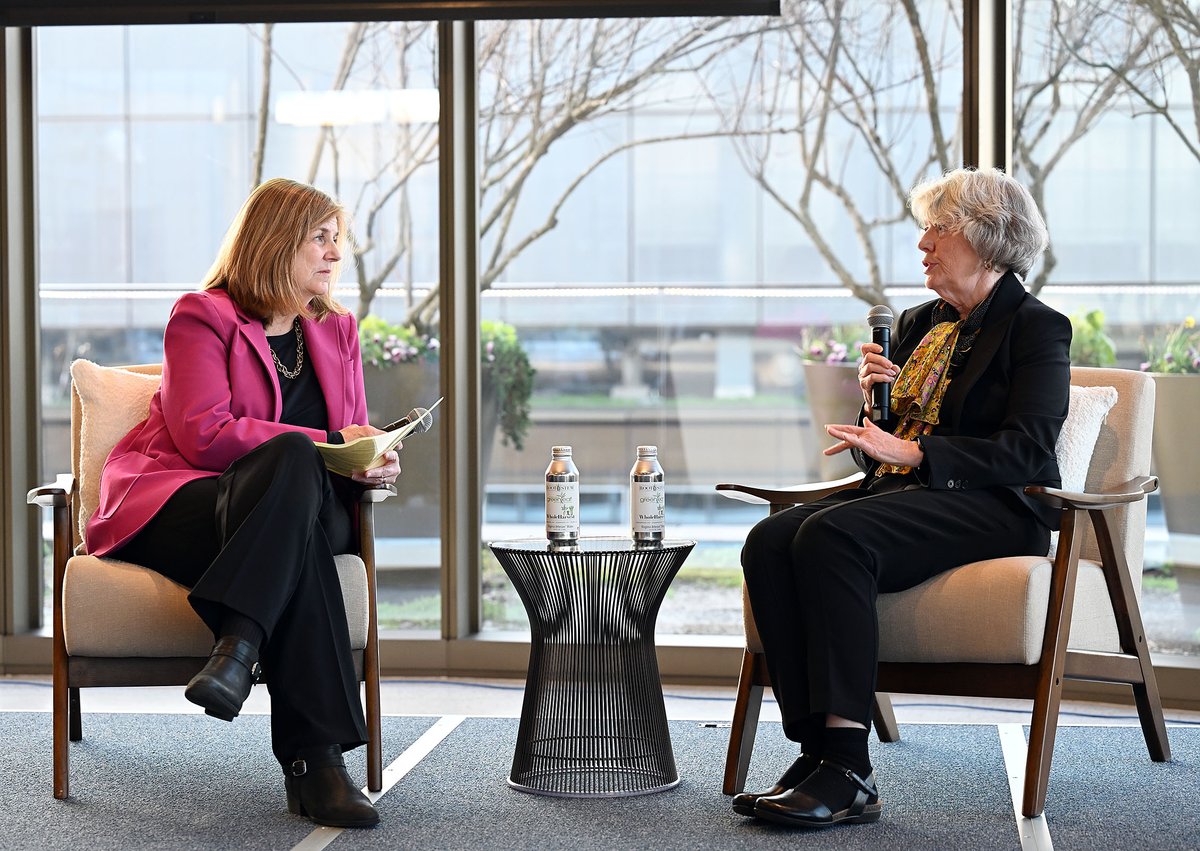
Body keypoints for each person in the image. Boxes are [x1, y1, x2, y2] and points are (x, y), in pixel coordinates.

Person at [734, 167, 1070, 829]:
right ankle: (816, 752)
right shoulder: (920, 323)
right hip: (908, 497)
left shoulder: (1037, 328)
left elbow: (1029, 450)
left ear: (985, 237)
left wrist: (916, 452)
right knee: (770, 539)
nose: (923, 244)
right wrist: (876, 411)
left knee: (830, 536)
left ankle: (850, 767)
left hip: (993, 506)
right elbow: (879, 451)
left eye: (938, 230)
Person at [86, 178, 401, 829]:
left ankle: (237, 646)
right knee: (292, 466)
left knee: (300, 483)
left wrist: (370, 462)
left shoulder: (338, 330)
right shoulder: (203, 316)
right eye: (320, 236)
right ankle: (318, 764)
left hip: (301, 511)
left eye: (336, 239)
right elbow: (203, 434)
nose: (334, 253)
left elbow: (352, 434)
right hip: (184, 503)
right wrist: (324, 442)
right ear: (277, 240)